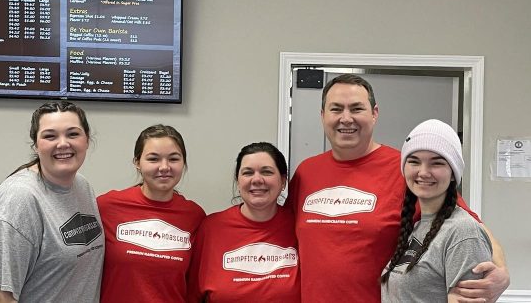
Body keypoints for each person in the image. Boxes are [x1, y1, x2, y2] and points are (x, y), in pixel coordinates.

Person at [288, 74, 509, 302]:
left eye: (356, 109)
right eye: (336, 109)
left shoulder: (408, 171)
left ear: (374, 113)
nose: (346, 118)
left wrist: (502, 272)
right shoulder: (307, 172)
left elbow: (469, 225)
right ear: (323, 115)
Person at [0, 101, 104, 303]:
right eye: (50, 136)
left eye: (73, 134)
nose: (63, 143)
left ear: (87, 140)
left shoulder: (82, 186)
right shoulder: (19, 199)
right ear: (36, 145)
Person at [381, 119, 492, 302]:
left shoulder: (463, 232)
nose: (423, 172)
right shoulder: (418, 227)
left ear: (453, 173)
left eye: (436, 163)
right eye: (414, 161)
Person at [97, 124, 206, 303]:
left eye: (173, 159)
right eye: (153, 159)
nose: (164, 167)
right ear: (137, 163)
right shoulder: (107, 206)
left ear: (183, 163)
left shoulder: (195, 216)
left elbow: (195, 286)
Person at [187, 142, 300, 302]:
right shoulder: (211, 228)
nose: (257, 179)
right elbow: (192, 295)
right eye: (248, 173)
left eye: (266, 172)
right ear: (238, 182)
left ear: (283, 181)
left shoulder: (299, 227)